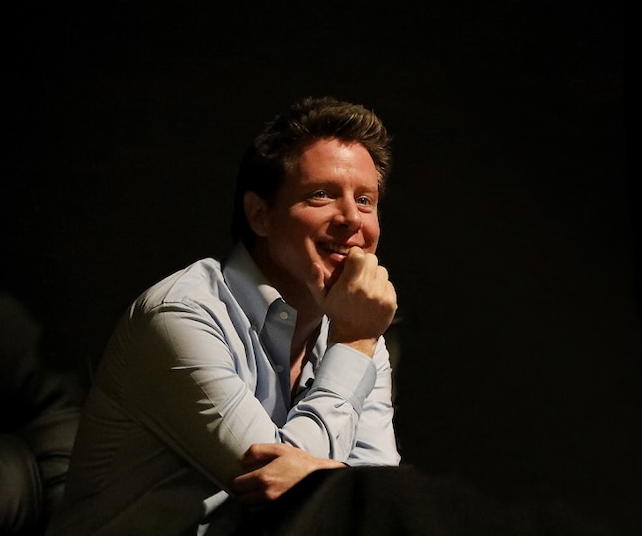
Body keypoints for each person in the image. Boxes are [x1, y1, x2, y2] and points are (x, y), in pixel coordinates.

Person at [46, 96, 405, 535]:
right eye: (321, 194)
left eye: (365, 200)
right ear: (259, 215)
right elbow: (284, 499)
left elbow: (379, 499)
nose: (352, 218)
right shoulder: (181, 315)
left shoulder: (358, 327)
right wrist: (352, 346)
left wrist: (356, 341)